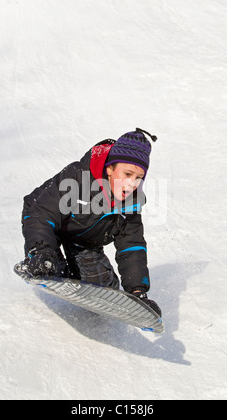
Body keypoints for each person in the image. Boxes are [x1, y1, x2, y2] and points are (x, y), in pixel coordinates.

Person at [21, 128, 162, 316]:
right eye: (127, 174)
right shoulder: (78, 178)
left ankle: (75, 269)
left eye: (138, 178)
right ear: (110, 168)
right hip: (47, 225)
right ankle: (46, 259)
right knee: (51, 269)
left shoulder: (131, 202)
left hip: (84, 239)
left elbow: (131, 245)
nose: (131, 183)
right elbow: (41, 214)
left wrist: (137, 291)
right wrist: (40, 252)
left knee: (104, 292)